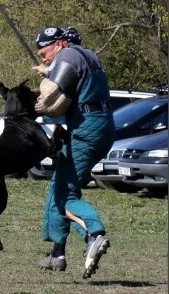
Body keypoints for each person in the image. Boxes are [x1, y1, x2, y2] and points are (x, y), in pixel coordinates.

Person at [32, 26, 115, 279]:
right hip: (100, 126)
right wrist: (48, 70)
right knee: (59, 186)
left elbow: (52, 97)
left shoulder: (68, 56)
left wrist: (39, 93)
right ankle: (57, 253)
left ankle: (95, 235)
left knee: (65, 194)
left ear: (58, 43)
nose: (43, 57)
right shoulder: (87, 55)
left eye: (44, 52)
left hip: (86, 128)